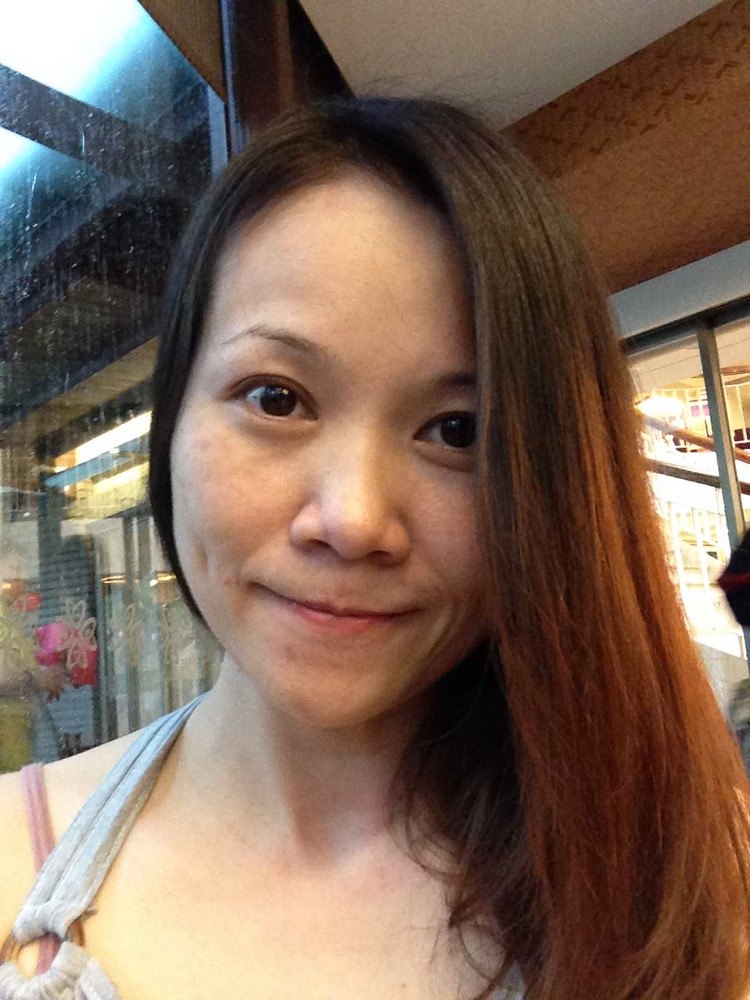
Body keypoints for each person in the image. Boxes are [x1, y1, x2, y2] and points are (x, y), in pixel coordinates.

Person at [0, 96, 749, 1000]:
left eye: (458, 430)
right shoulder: (13, 858)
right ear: (175, 419)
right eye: (276, 398)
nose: (353, 520)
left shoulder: (687, 876)